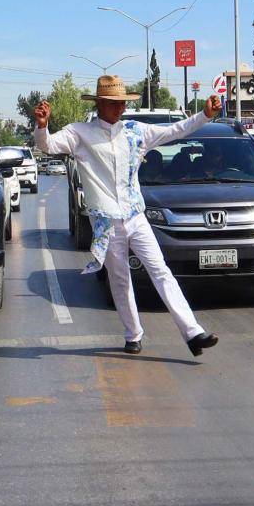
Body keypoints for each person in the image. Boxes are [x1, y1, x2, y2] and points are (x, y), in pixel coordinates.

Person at [34, 75, 223, 358]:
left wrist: (204, 115)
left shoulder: (135, 131)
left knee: (160, 270)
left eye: (122, 103)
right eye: (113, 104)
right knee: (120, 278)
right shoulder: (79, 134)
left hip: (135, 216)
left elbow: (175, 130)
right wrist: (42, 126)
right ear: (99, 104)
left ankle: (193, 333)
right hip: (106, 223)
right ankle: (133, 334)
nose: (119, 108)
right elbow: (47, 145)